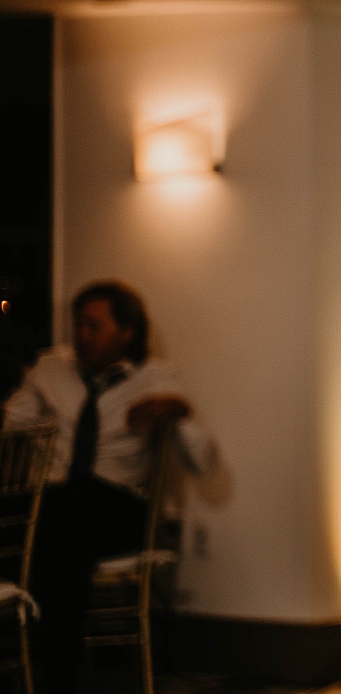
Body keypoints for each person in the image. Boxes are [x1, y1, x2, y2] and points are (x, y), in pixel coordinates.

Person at [3, 281, 216, 694]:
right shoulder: (51, 369)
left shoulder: (156, 378)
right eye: (78, 325)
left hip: (119, 508)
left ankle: (50, 672)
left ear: (127, 333)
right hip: (53, 508)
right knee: (55, 528)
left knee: (67, 513)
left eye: (93, 326)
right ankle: (53, 672)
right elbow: (12, 424)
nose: (81, 336)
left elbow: (203, 464)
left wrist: (180, 412)